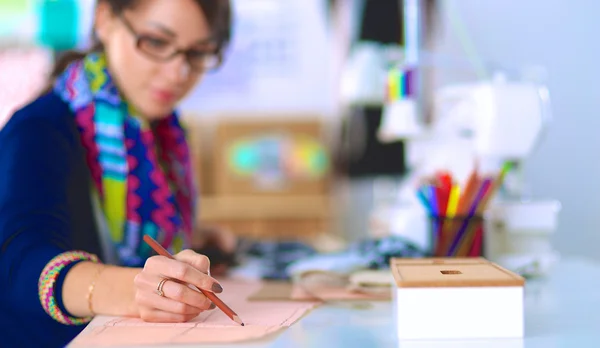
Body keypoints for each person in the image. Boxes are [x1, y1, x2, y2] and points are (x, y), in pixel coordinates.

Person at [0, 1, 233, 347]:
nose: (178, 73)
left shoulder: (159, 134)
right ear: (105, 19)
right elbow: (18, 265)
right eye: (156, 42)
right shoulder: (38, 129)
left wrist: (191, 238)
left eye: (198, 53)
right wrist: (136, 289)